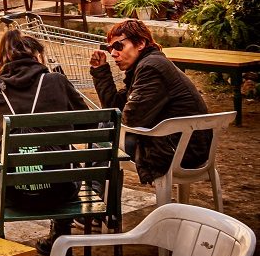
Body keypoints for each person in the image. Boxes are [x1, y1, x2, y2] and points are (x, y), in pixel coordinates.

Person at [0, 28, 90, 256]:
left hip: (12, 193)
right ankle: (60, 234)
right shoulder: (57, 81)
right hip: (61, 191)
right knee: (65, 151)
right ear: (38, 56)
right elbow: (88, 127)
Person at [89, 19, 210, 185]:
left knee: (105, 130)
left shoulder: (151, 67)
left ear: (140, 43)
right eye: (110, 48)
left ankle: (94, 192)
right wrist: (100, 71)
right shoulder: (147, 64)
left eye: (118, 46)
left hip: (180, 150)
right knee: (106, 125)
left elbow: (131, 119)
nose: (113, 54)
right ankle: (94, 190)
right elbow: (115, 108)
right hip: (180, 144)